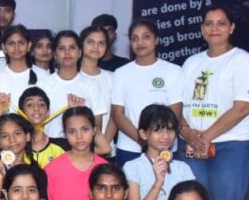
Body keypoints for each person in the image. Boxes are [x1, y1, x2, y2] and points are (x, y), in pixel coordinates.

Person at [179, 6, 249, 200]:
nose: (214, 28)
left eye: (221, 23)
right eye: (209, 23)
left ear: (231, 28)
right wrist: (186, 132)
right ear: (202, 29)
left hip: (230, 146)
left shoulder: (242, 61)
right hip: (191, 146)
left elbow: (241, 108)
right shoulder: (191, 63)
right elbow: (176, 105)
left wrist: (205, 138)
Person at [110, 20, 183, 167]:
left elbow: (176, 111)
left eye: (146, 37)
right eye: (134, 38)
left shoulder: (174, 71)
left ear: (156, 40)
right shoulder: (121, 73)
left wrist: (158, 139)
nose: (140, 42)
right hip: (130, 147)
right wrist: (143, 140)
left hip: (164, 147)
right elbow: (117, 114)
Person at [124, 105, 196, 200]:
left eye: (170, 130)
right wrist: (158, 183)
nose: (166, 136)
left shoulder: (183, 168)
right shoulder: (133, 167)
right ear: (143, 134)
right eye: (158, 130)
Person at [45, 107, 109, 200]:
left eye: (85, 129)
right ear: (65, 134)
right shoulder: (52, 168)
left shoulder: (105, 169)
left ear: (94, 131)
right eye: (72, 131)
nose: (79, 136)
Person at [37, 30, 106, 140]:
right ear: (55, 54)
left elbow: (97, 125)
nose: (67, 52)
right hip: (50, 147)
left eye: (72, 48)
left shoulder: (92, 85)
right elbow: (36, 123)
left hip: (81, 147)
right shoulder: (43, 85)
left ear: (79, 53)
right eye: (62, 48)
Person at [79, 26, 117, 155]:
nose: (96, 47)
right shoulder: (72, 76)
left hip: (107, 148)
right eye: (91, 42)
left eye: (101, 43)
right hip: (78, 149)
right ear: (81, 44)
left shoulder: (112, 78)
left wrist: (103, 144)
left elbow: (115, 115)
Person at [0, 24, 40, 109]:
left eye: (21, 43)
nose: (16, 47)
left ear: (29, 46)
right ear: (4, 47)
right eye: (11, 43)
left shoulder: (42, 75)